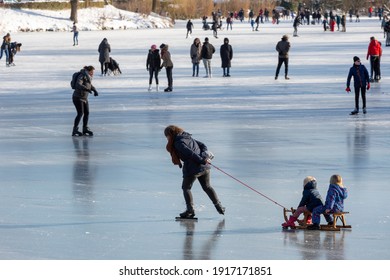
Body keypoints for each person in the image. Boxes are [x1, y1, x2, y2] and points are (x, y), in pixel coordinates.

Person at [164, 125, 225, 218]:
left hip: (193, 168)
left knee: (186, 188)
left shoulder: (178, 142)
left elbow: (190, 153)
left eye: (167, 136)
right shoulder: (187, 137)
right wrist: (204, 156)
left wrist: (201, 159)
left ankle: (190, 211)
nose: (167, 138)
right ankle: (219, 207)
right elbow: (202, 145)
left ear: (170, 134)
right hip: (205, 167)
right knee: (207, 187)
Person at [72, 66, 99, 136]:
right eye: (92, 72)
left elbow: (90, 85)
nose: (93, 73)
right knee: (80, 113)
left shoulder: (87, 77)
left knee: (86, 113)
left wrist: (94, 90)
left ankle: (85, 128)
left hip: (84, 98)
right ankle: (75, 130)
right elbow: (78, 84)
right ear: (88, 71)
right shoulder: (82, 76)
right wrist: (86, 89)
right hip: (77, 97)